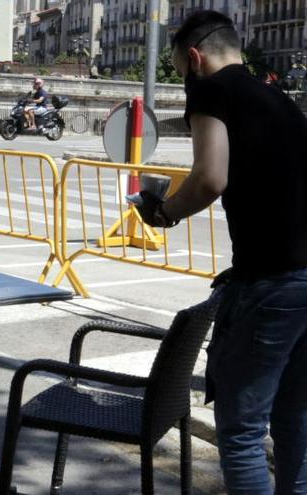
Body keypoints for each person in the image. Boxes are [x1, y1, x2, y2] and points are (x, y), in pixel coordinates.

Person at [135, 11, 307, 494]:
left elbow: (210, 177)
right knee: (295, 421)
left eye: (180, 69)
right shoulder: (280, 100)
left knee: (242, 431)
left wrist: (164, 212)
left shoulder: (211, 90)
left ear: (194, 58)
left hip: (270, 283)